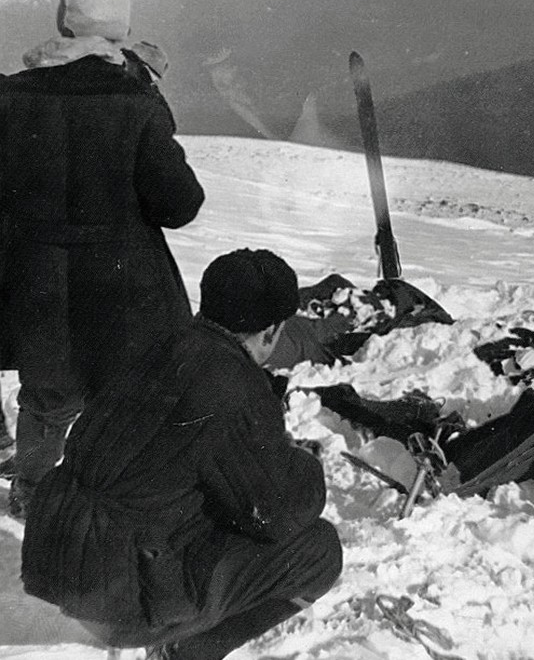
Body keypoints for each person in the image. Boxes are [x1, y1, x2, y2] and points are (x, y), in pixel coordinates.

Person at [21, 248, 343, 660]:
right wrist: (304, 464)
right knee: (318, 551)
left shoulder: (154, 344)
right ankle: (187, 652)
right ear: (271, 331)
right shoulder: (232, 382)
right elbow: (276, 514)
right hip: (118, 601)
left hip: (56, 559)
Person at [0, 0, 205, 517]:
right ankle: (114, 498)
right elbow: (180, 205)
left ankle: (33, 494)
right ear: (123, 26)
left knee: (46, 396)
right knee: (123, 395)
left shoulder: (9, 97)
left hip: (35, 279)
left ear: (62, 19)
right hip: (122, 282)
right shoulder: (135, 99)